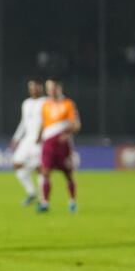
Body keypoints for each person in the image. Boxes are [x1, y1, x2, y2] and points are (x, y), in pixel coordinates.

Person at [37, 78, 80, 213]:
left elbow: (76, 125)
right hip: (48, 144)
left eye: (53, 87)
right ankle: (45, 203)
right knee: (45, 172)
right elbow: (43, 123)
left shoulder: (68, 104)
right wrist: (39, 137)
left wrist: (67, 134)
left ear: (59, 88)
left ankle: (72, 202)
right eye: (49, 88)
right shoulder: (45, 105)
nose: (51, 90)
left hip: (62, 145)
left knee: (68, 174)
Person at [10, 79, 46, 206]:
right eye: (31, 87)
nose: (33, 89)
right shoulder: (26, 103)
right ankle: (31, 193)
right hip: (28, 139)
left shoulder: (46, 102)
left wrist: (43, 135)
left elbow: (48, 121)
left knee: (40, 169)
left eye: (35, 87)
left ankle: (43, 199)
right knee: (16, 163)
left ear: (41, 87)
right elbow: (23, 123)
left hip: (41, 140)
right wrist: (16, 138)